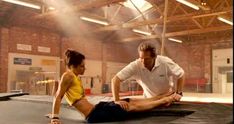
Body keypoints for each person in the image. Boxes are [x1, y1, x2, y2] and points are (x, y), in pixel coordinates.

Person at [50, 49, 181, 124]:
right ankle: (164, 99)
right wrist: (55, 117)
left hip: (97, 108)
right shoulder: (67, 76)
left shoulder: (74, 76)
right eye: (82, 66)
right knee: (131, 107)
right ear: (73, 66)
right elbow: (58, 96)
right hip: (94, 115)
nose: (85, 68)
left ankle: (162, 95)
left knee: (129, 101)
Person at [111, 42, 185, 108]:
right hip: (149, 101)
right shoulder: (136, 65)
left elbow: (181, 74)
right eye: (141, 58)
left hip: (166, 99)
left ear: (154, 57)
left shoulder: (165, 62)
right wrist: (116, 100)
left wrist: (179, 93)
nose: (143, 62)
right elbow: (115, 80)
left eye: (146, 59)